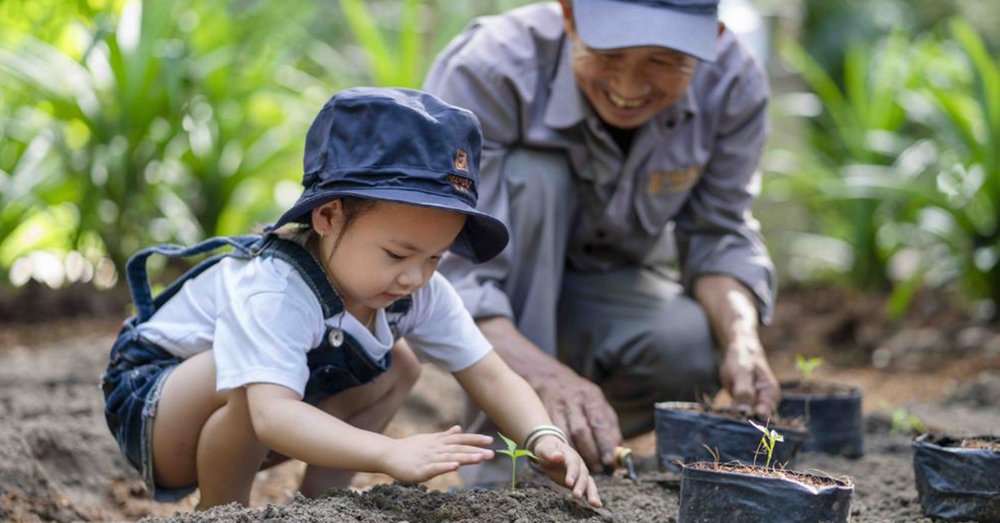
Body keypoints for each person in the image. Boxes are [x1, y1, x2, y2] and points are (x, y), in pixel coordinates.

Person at [100, 87, 602, 509]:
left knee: (401, 363)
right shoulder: (276, 288)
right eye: (396, 253)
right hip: (157, 409)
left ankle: (327, 506)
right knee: (251, 380)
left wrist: (543, 436)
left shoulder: (417, 287)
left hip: (256, 415)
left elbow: (489, 373)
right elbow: (271, 415)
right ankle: (223, 513)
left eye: (435, 257)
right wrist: (388, 453)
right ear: (328, 217)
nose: (414, 277)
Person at [424, 0, 781, 483]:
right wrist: (544, 376)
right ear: (569, 17)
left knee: (692, 344)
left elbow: (719, 232)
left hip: (608, 291)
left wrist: (743, 340)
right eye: (609, 55)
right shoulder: (491, 69)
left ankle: (582, 437)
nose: (629, 88)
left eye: (662, 60)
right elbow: (452, 268)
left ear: (712, 37)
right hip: (498, 307)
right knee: (535, 176)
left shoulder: (732, 83)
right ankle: (508, 456)